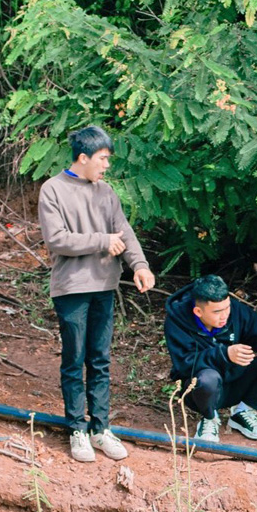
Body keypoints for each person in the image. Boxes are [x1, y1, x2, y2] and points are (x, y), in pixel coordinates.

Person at [37, 126, 155, 463]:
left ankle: (101, 429)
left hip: (105, 287)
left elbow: (125, 232)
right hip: (72, 289)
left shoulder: (107, 193)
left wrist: (140, 265)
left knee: (100, 360)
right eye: (103, 159)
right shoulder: (53, 190)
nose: (106, 166)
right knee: (74, 361)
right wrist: (101, 240)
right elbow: (57, 240)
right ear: (83, 157)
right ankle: (77, 428)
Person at [164, 275, 257, 442]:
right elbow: (184, 364)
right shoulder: (177, 320)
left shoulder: (236, 311)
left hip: (236, 380)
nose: (224, 316)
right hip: (200, 390)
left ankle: (242, 413)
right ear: (198, 311)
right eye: (216, 312)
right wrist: (225, 354)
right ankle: (209, 418)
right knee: (207, 378)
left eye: (227, 308)